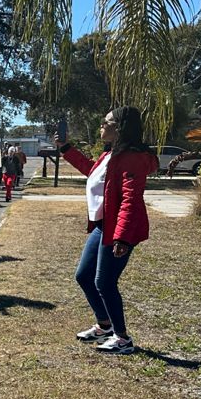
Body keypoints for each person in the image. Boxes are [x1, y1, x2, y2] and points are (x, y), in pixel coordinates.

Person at [57, 107, 158, 354]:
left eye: (107, 122)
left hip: (119, 229)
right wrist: (65, 149)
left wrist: (122, 237)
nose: (102, 125)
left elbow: (130, 199)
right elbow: (91, 170)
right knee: (83, 276)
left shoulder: (131, 157)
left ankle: (122, 338)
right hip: (103, 226)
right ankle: (104, 325)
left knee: (105, 281)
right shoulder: (111, 154)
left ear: (120, 127)